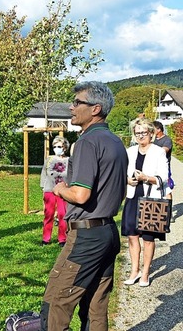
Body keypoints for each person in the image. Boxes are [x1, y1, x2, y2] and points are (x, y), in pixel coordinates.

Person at [40, 81, 128, 331]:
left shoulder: (88, 142)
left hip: (87, 236)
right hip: (108, 232)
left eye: (78, 102)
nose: (71, 107)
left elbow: (80, 195)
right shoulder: (115, 141)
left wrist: (60, 189)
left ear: (96, 109)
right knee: (95, 306)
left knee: (56, 302)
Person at [121, 118, 170, 287]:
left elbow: (164, 178)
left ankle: (146, 272)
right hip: (133, 196)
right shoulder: (130, 151)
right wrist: (128, 180)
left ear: (151, 133)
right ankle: (134, 271)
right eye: (137, 133)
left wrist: (146, 178)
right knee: (132, 236)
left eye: (144, 132)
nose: (141, 136)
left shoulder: (158, 152)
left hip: (151, 198)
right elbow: (123, 172)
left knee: (148, 238)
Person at [40, 136, 70, 247]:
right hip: (49, 190)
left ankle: (62, 239)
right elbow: (44, 173)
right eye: (55, 146)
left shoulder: (69, 161)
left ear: (65, 147)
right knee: (49, 214)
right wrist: (43, 187)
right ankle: (45, 239)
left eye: (59, 146)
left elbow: (70, 175)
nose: (57, 148)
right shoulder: (49, 160)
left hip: (64, 191)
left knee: (63, 214)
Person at [153, 120, 175, 193]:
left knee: (166, 188)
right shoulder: (153, 140)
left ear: (159, 129)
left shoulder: (167, 140)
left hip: (164, 167)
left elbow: (163, 151)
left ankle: (169, 204)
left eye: (153, 129)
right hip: (154, 166)